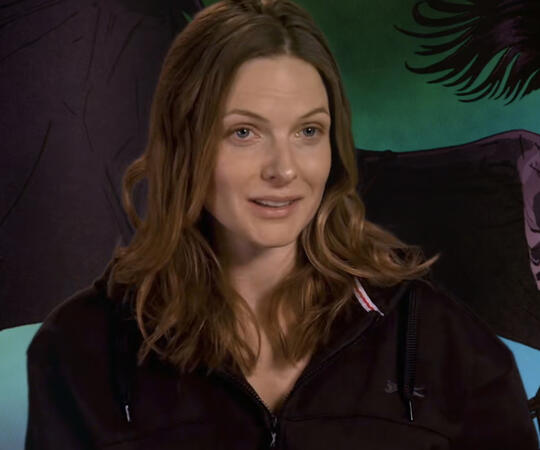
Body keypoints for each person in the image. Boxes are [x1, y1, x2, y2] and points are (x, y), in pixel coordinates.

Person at [25, 0, 538, 448]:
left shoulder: (446, 345)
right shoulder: (80, 347)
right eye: (244, 132)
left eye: (308, 131)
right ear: (184, 143)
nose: (284, 169)